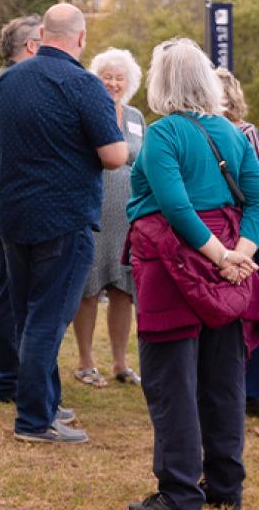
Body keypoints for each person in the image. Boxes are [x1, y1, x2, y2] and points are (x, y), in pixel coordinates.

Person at [126, 38, 259, 510]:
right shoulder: (232, 133)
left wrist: (223, 257)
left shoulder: (163, 134)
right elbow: (256, 201)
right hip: (229, 263)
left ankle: (180, 493)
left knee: (172, 383)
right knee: (224, 380)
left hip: (174, 263)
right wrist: (238, 255)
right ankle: (225, 487)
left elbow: (175, 206)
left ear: (160, 81)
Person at [0, 3, 126, 444]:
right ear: (81, 39)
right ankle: (33, 420)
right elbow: (115, 155)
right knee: (48, 319)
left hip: (14, 213)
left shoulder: (7, 80)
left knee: (27, 313)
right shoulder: (84, 85)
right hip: (64, 217)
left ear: (43, 33)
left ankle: (45, 403)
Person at [0, 14, 42, 403]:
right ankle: (5, 377)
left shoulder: (6, 82)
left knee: (12, 287)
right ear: (31, 46)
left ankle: (7, 373)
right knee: (11, 289)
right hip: (2, 198)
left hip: (1, 196)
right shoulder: (6, 85)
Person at [72, 48, 145, 389]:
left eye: (120, 77)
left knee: (123, 291)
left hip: (128, 217)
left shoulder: (135, 117)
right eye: (107, 76)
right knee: (87, 288)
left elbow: (143, 162)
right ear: (95, 78)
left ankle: (120, 363)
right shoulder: (85, 111)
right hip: (91, 210)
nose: (114, 83)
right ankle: (86, 362)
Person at [216, 68, 259, 416]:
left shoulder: (246, 134)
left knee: (249, 308)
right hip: (219, 231)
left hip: (243, 230)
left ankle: (249, 389)